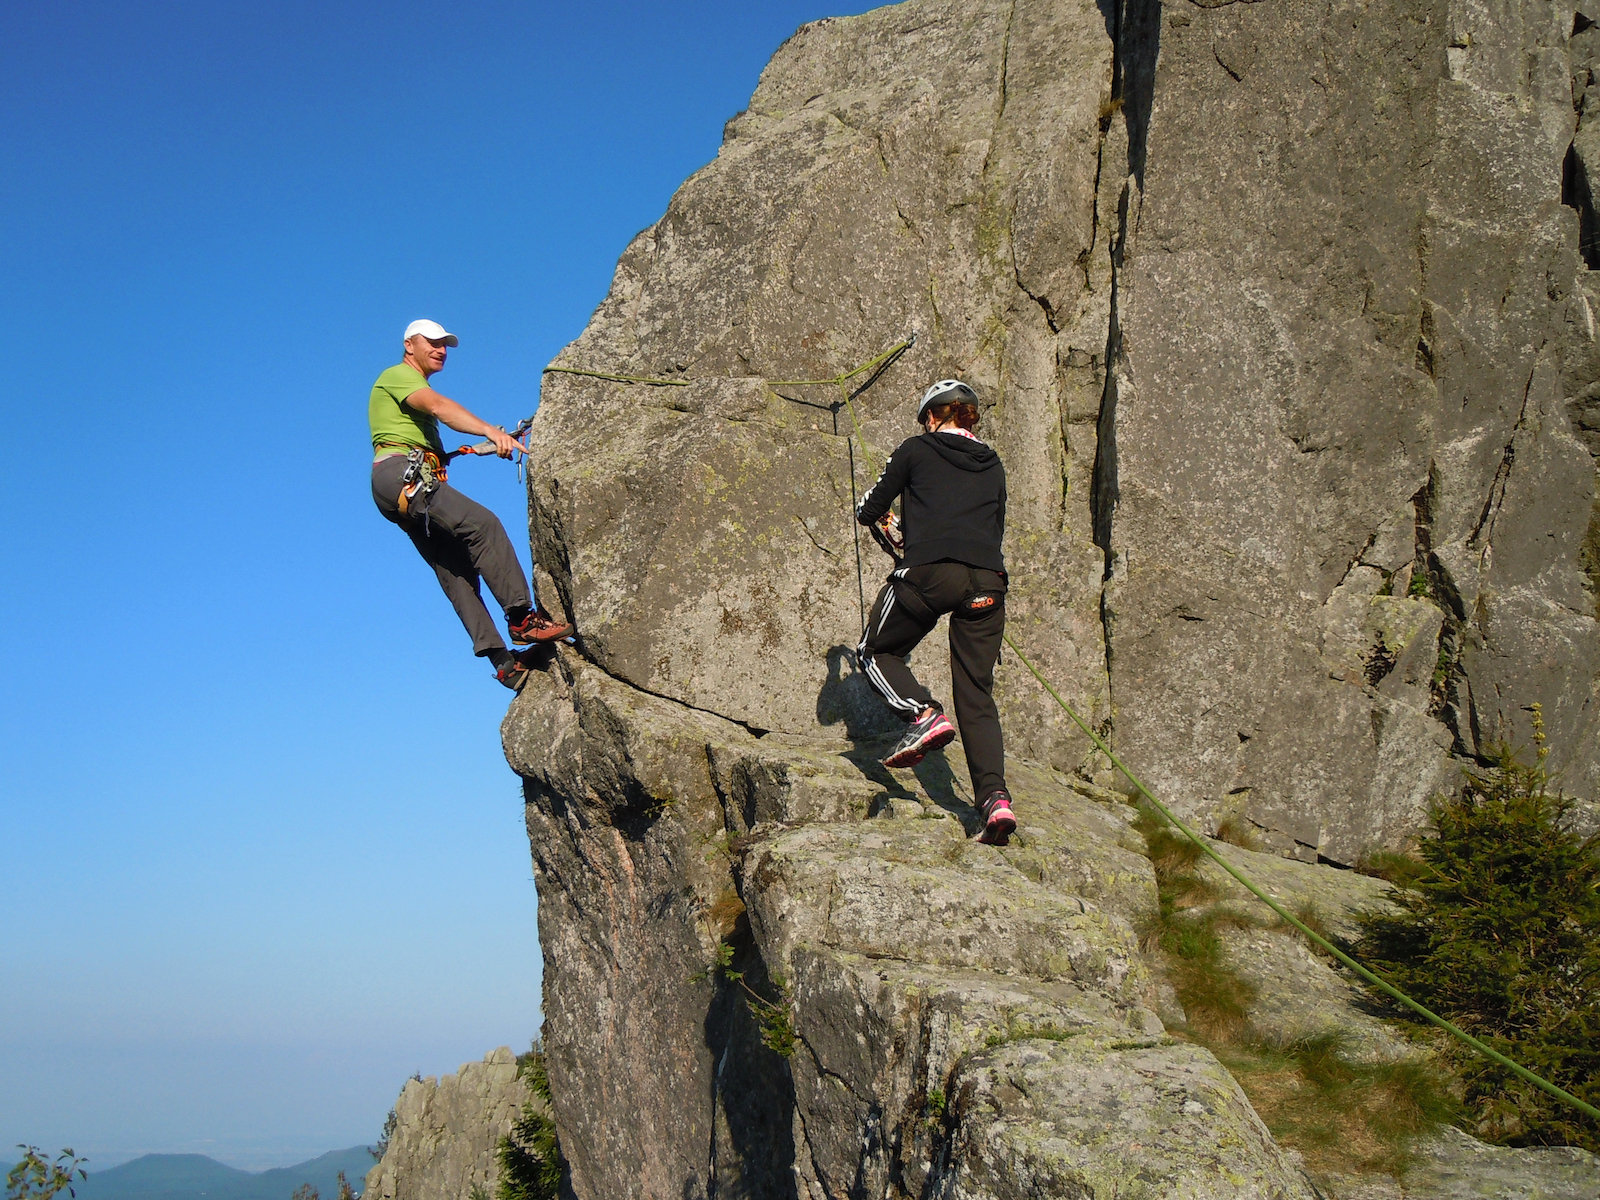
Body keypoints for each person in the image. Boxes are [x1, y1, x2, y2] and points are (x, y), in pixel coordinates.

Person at [854, 379, 1016, 845]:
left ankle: (922, 714)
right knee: (977, 695)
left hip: (929, 573)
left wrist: (899, 536)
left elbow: (870, 507)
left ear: (932, 415)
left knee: (874, 651)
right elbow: (993, 525)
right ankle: (994, 801)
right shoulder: (994, 464)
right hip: (987, 583)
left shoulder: (915, 448)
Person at [369, 318, 571, 690]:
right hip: (401, 475)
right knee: (483, 525)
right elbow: (439, 406)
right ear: (408, 345)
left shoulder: (404, 398)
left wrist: (478, 445)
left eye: (444, 344)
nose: (440, 349)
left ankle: (504, 663)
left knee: (456, 571)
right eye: (431, 342)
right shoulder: (397, 376)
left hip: (398, 485)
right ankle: (522, 619)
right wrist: (489, 431)